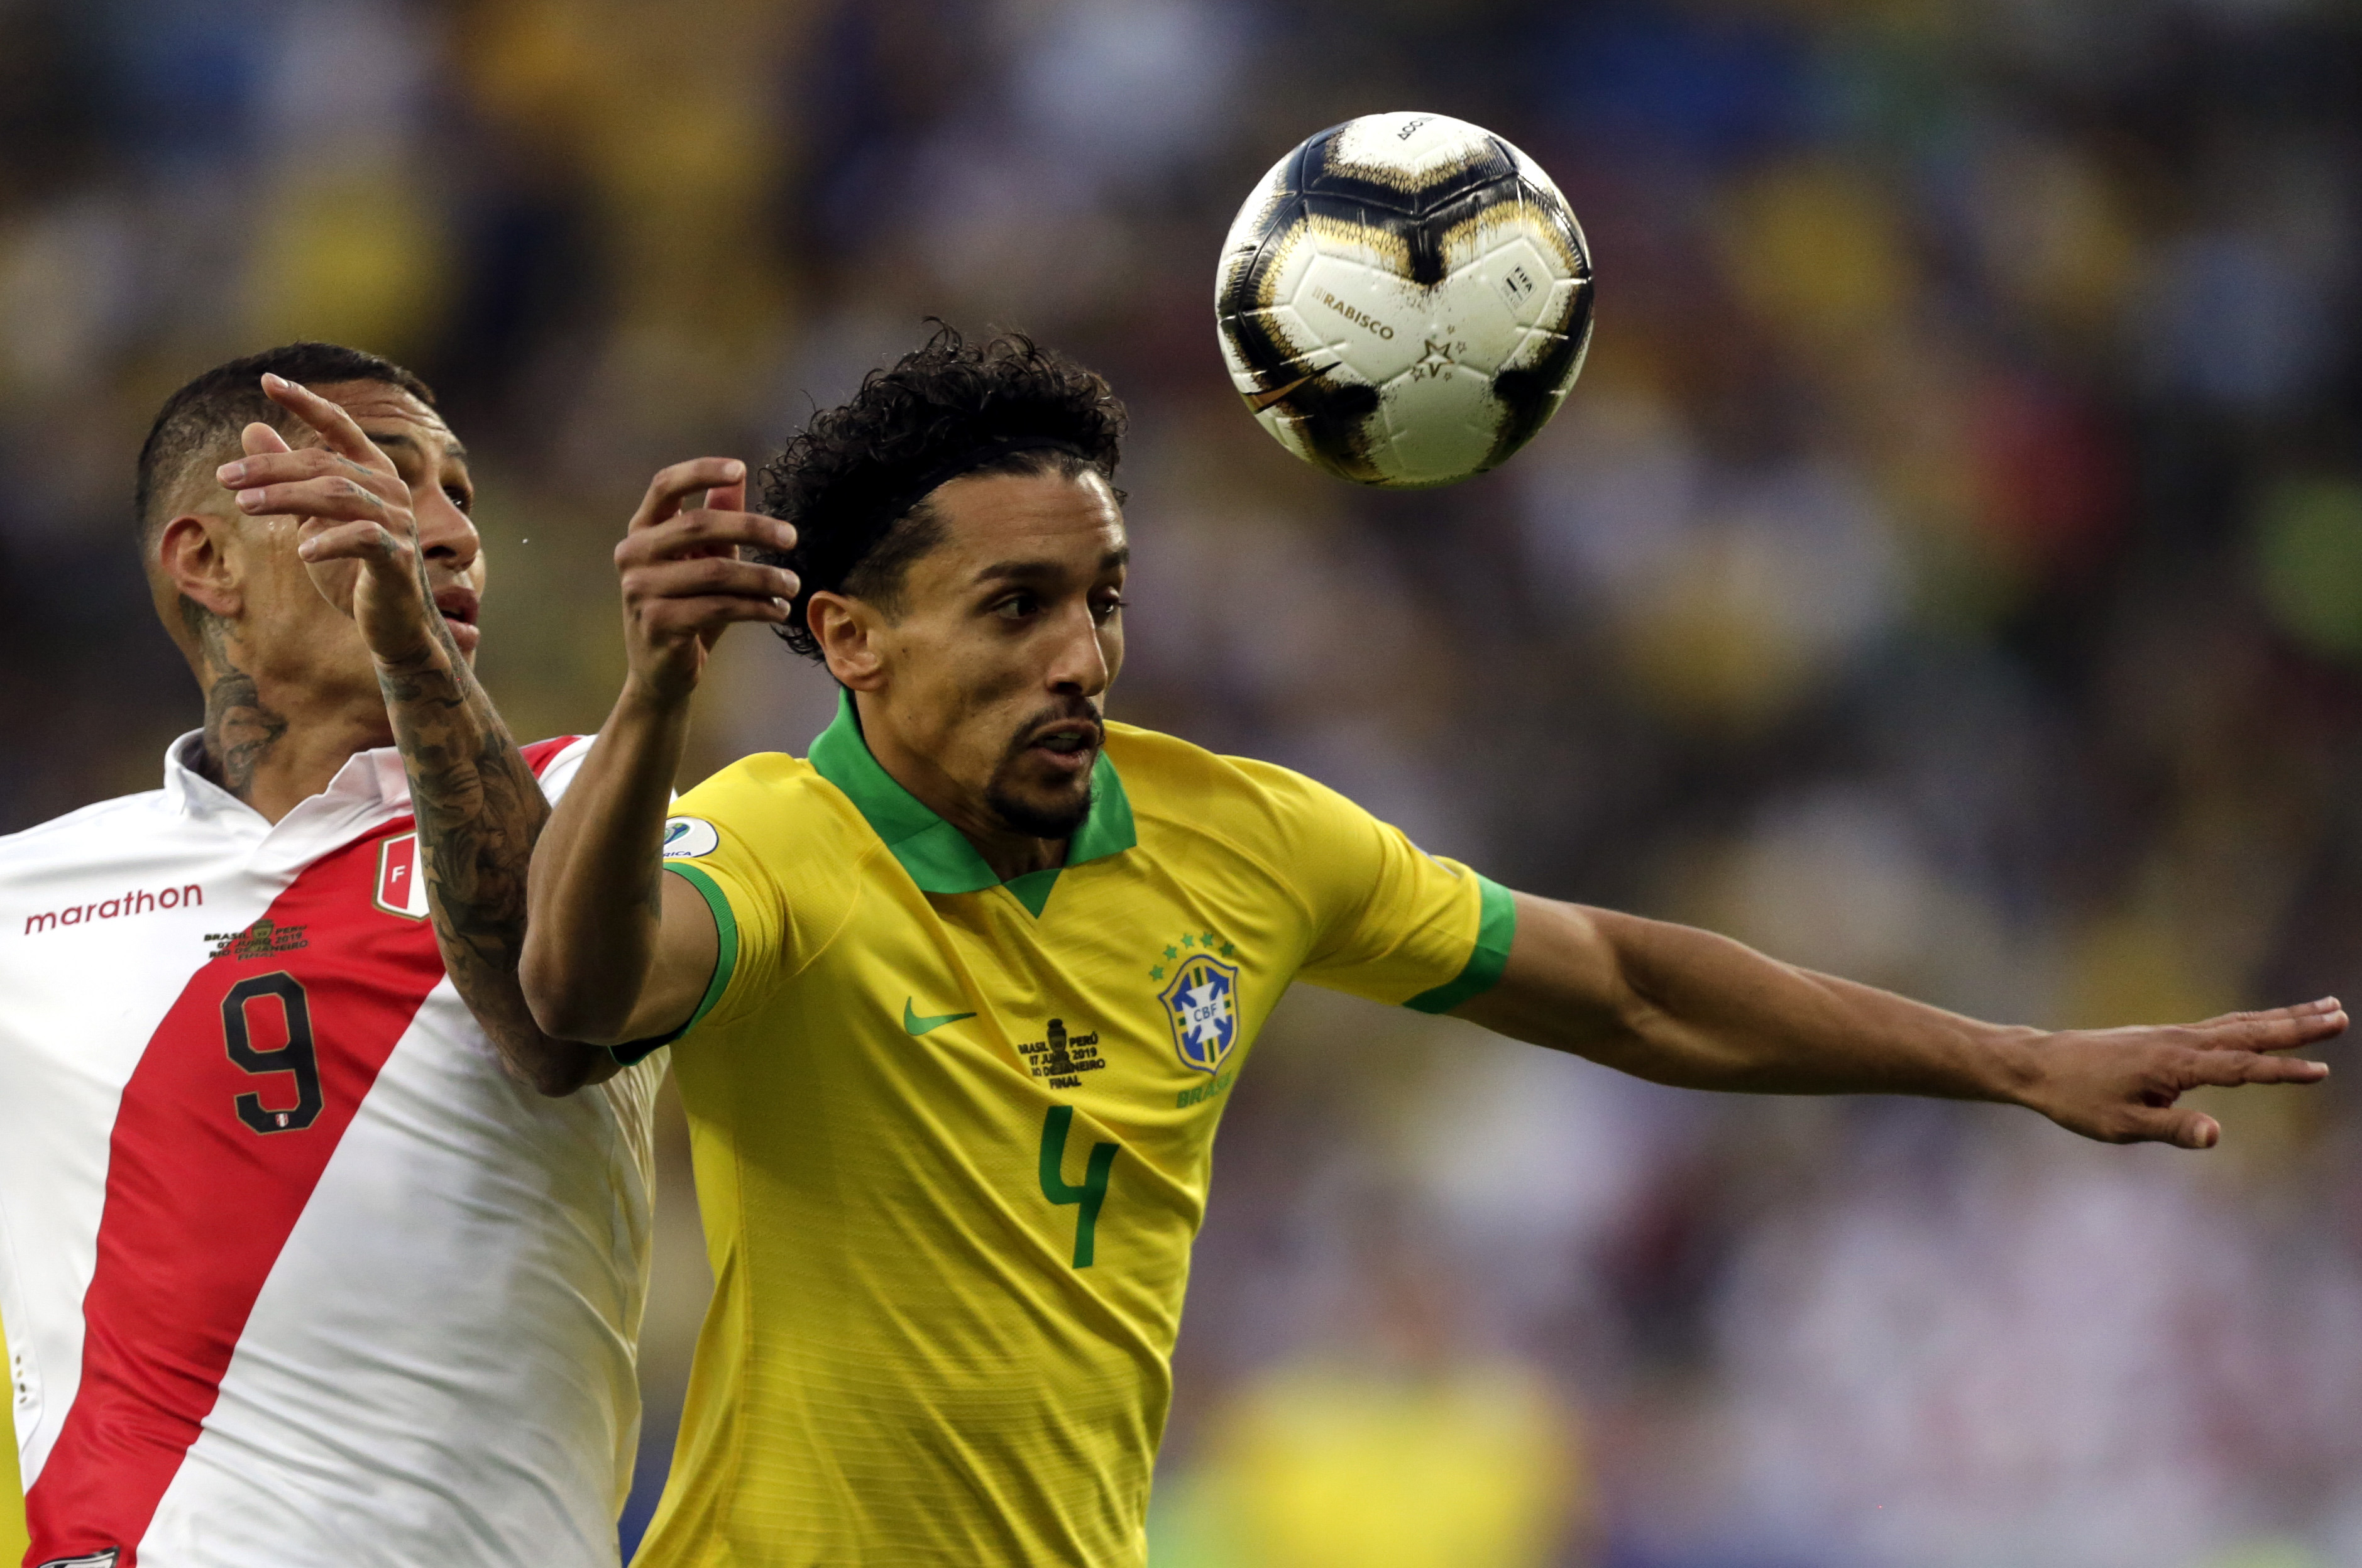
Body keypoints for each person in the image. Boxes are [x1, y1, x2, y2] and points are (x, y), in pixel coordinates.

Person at [519, 327, 2343, 1566]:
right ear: (850, 636)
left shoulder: (1242, 840)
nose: (1080, 657)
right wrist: (657, 694)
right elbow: (580, 998)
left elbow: (1624, 989)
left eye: (1102, 600)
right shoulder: (778, 837)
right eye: (1015, 607)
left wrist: (2015, 1060)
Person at [0, 343, 659, 1567]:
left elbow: (556, 1017)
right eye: (381, 481)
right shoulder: (22, 898)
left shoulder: (585, 806)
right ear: (206, 560)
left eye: (459, 495)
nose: (450, 534)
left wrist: (413, 656)